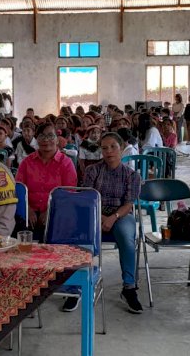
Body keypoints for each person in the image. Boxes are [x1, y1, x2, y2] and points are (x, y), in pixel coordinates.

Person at [81, 132, 143, 314]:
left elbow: (129, 204)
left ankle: (129, 287)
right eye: (104, 148)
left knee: (127, 238)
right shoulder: (92, 171)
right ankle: (77, 283)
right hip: (94, 212)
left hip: (121, 215)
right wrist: (99, 217)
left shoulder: (132, 176)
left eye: (113, 147)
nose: (109, 152)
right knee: (78, 234)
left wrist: (112, 218)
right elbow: (88, 198)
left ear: (122, 148)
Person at [15, 123, 77, 238]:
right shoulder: (27, 162)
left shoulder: (66, 163)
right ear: (36, 139)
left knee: (56, 229)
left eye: (50, 136)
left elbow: (69, 193)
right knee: (20, 231)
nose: (46, 140)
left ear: (57, 139)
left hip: (57, 210)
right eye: (42, 136)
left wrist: (50, 210)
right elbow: (18, 188)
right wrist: (27, 209)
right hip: (29, 211)